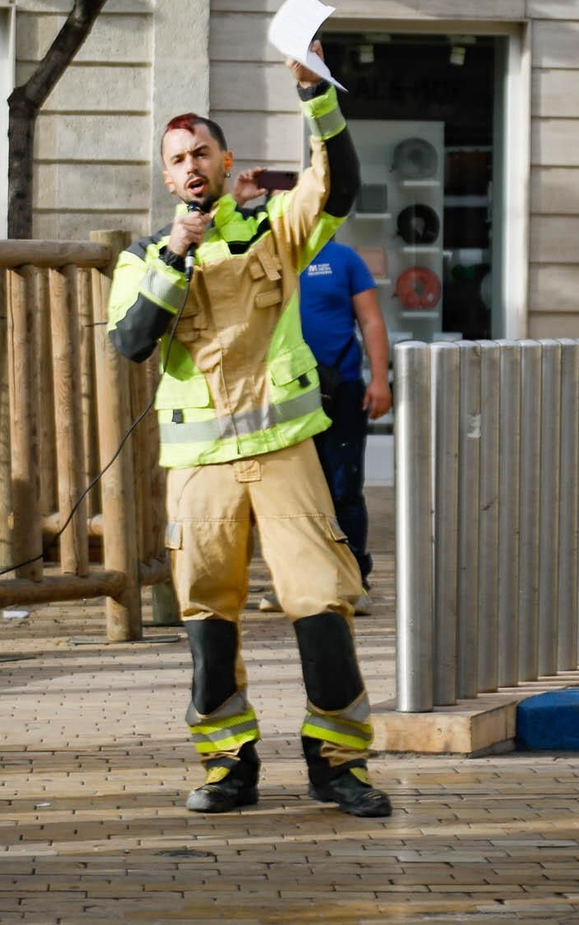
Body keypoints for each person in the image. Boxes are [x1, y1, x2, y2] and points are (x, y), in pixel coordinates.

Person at [107, 42, 391, 819]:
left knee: (321, 600)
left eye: (202, 152)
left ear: (227, 162)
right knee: (208, 614)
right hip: (199, 466)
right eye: (177, 159)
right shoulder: (143, 257)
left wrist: (315, 94)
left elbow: (339, 185)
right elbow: (132, 342)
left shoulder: (276, 229)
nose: (192, 166)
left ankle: (338, 764)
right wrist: (175, 254)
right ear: (167, 178)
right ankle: (228, 764)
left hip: (284, 454)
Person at [257, 237, 389, 615]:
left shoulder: (345, 259)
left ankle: (353, 582)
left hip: (340, 389)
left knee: (344, 487)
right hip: (281, 393)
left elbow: (370, 320)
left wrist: (380, 379)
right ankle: (289, 581)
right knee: (285, 491)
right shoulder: (268, 255)